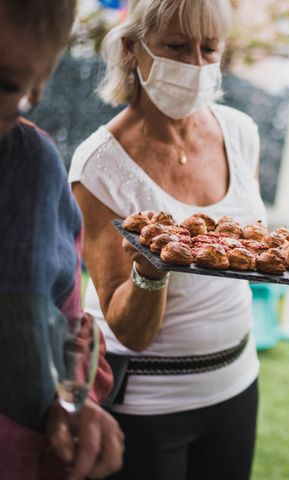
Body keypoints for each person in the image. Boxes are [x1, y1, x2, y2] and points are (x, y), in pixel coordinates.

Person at [69, 0, 265, 478]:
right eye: (177, 47)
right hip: (147, 405)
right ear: (134, 49)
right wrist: (151, 269)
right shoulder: (100, 165)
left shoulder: (240, 133)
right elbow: (130, 330)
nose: (196, 65)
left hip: (236, 384)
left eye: (209, 48)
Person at [0, 1, 124, 479]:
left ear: (36, 86)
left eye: (3, 85)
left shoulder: (34, 170)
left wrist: (72, 400)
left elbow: (73, 327)